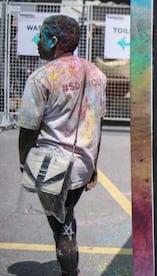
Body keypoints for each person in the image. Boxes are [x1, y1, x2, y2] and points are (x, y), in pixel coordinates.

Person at [18, 15, 106, 275]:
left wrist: (24, 162)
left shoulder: (41, 78)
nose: (37, 41)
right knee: (66, 218)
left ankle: (69, 271)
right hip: (83, 165)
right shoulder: (97, 74)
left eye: (41, 35)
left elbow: (27, 131)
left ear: (53, 40)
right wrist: (94, 166)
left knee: (62, 228)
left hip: (51, 168)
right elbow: (96, 124)